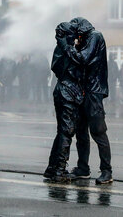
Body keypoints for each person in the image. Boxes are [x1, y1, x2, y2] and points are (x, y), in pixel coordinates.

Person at [59, 17, 113, 185]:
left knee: (98, 131)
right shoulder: (84, 40)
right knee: (81, 131)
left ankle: (107, 171)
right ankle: (83, 168)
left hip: (93, 92)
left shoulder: (95, 36)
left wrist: (66, 47)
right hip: (82, 92)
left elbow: (83, 59)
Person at [44, 22, 83, 183]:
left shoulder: (61, 48)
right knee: (66, 132)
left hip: (62, 90)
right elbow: (78, 64)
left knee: (62, 132)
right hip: (67, 92)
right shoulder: (66, 49)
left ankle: (52, 167)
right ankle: (59, 170)